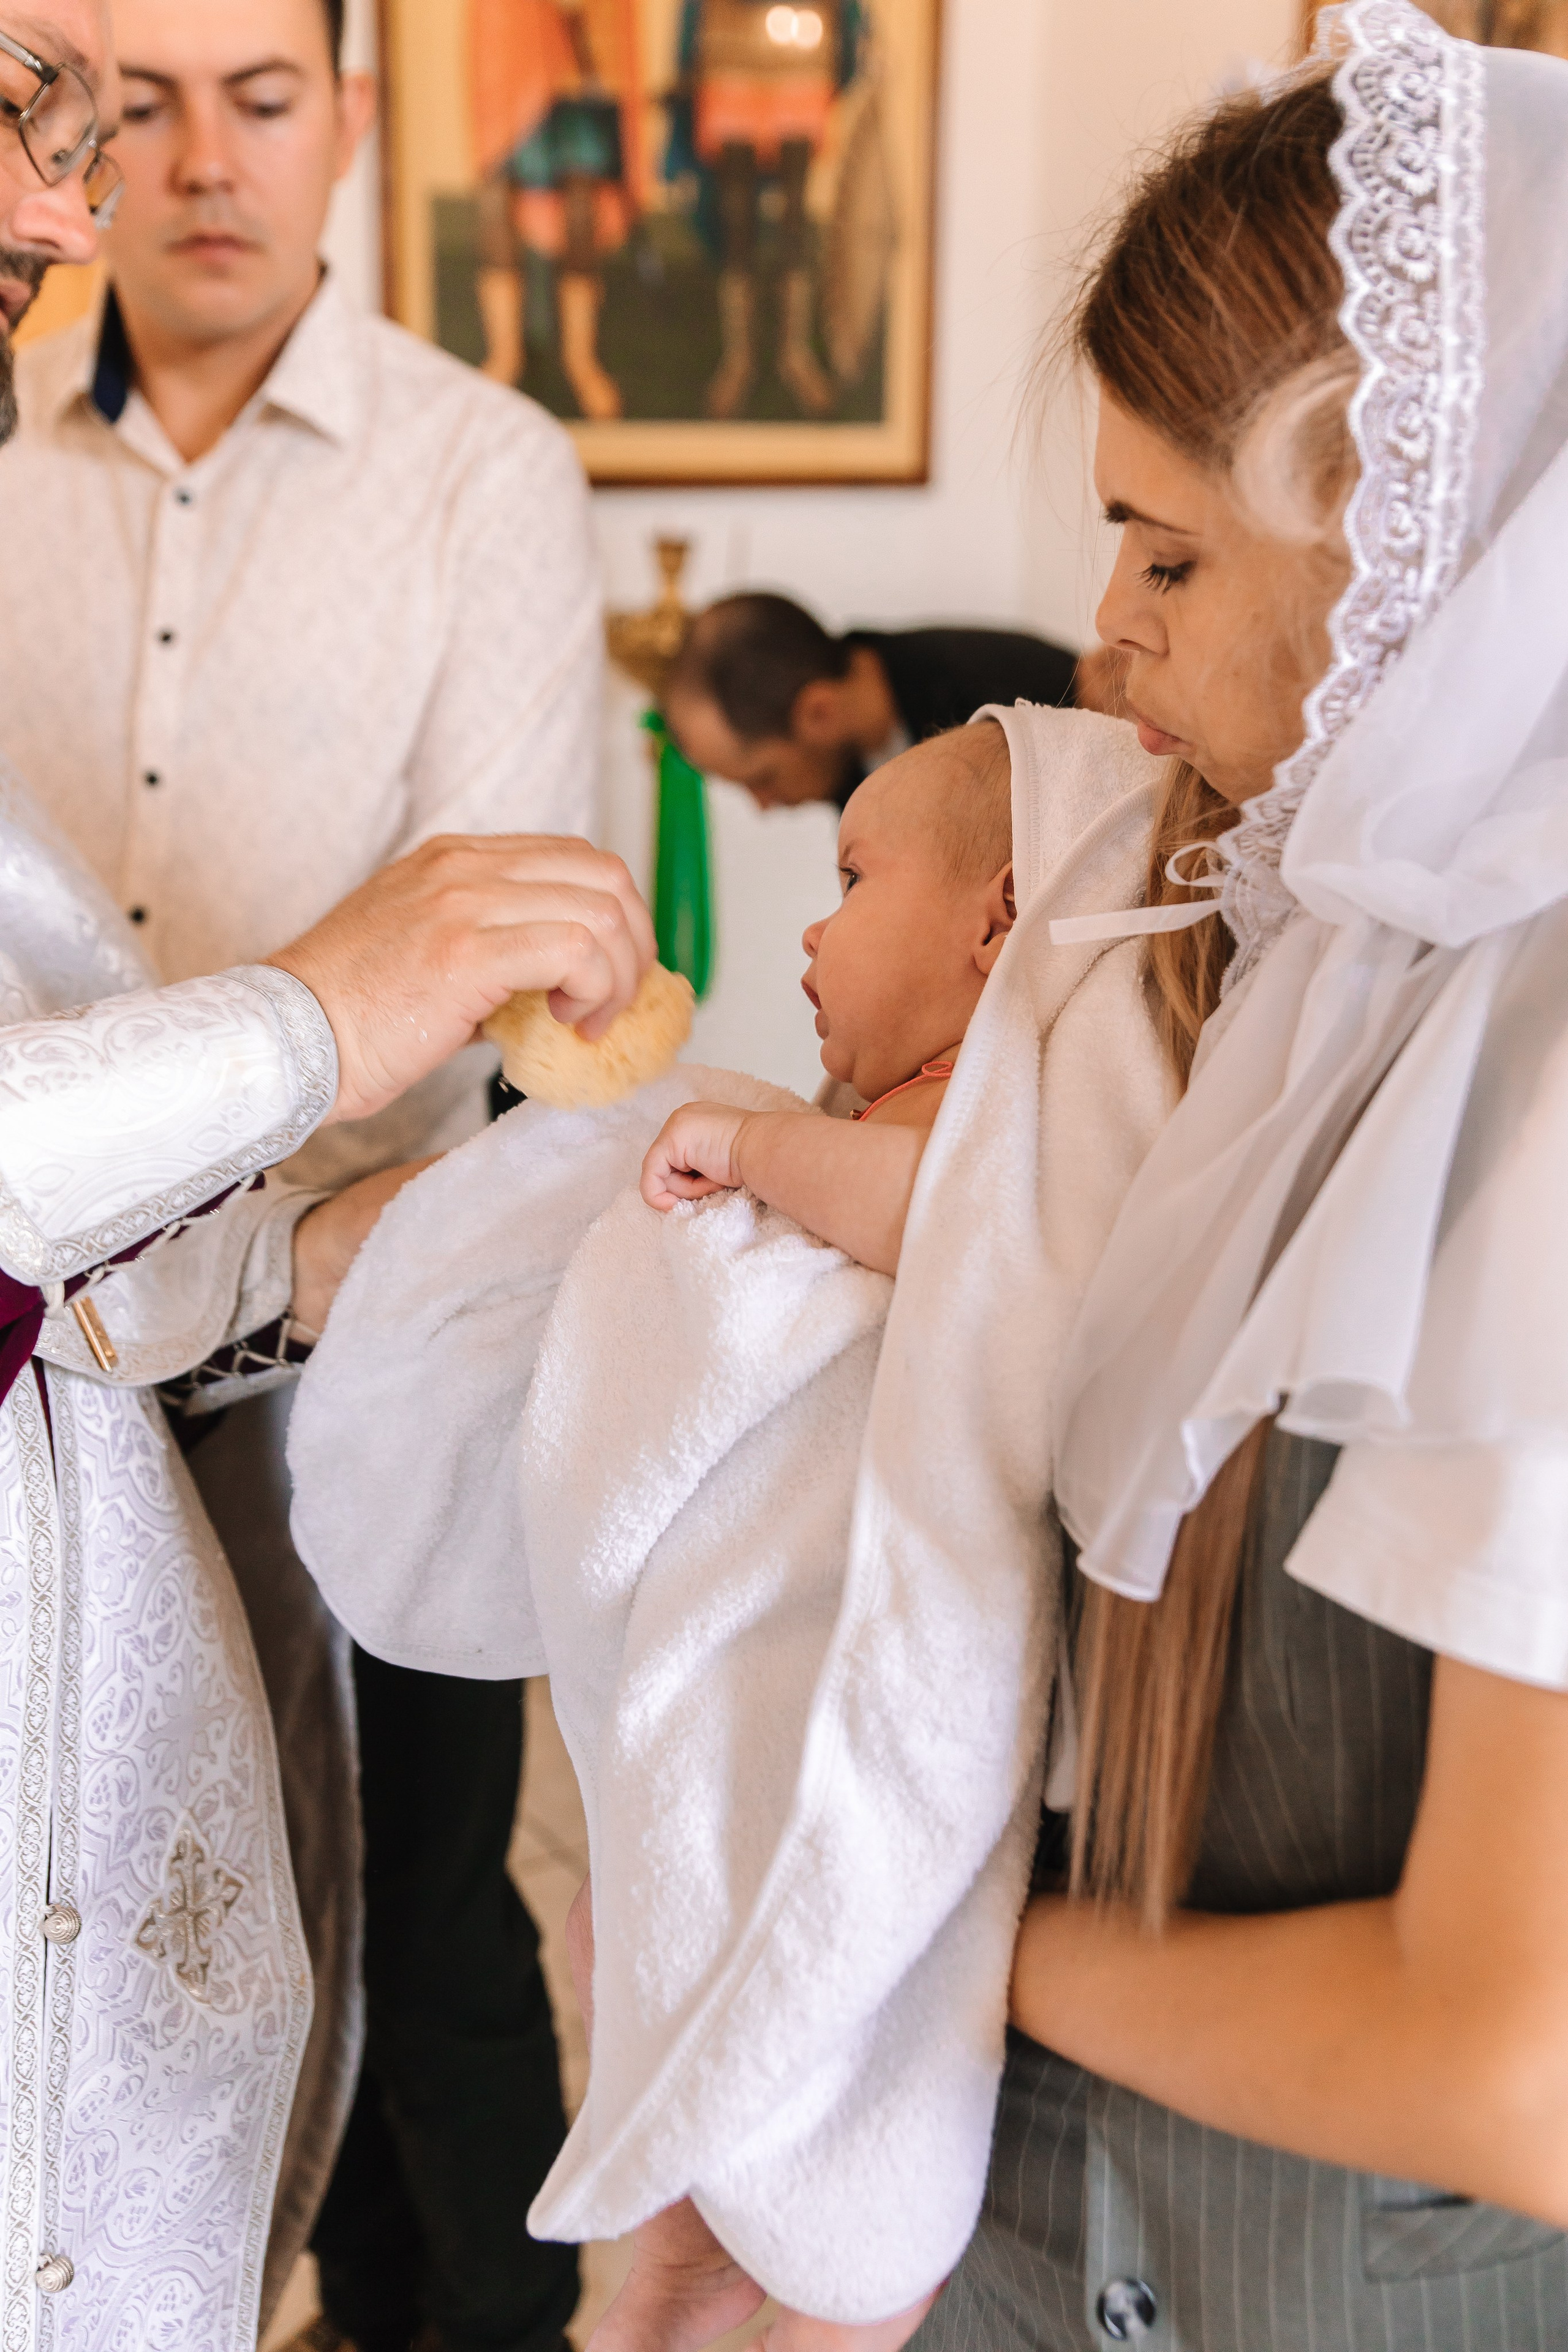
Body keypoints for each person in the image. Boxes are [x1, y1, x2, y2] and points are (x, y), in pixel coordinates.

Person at [914, 7, 1568, 2346]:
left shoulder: (1537, 1041)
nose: (1106, 634)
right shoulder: (1294, 955)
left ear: (1411, 544)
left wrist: (942, 1941)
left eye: (1167, 552)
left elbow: (1513, 2063)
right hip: (1030, 2244)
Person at [0, 29, 652, 2352]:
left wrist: (288, 1237)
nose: (174, 168)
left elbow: (488, 948)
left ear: (356, 124)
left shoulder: (483, 471)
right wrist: (275, 1033)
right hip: (46, 1376)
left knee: (428, 1941)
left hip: (332, 1323)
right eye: (107, 102)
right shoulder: (8, 440)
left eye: (260, 94)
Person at [641, 720, 1014, 1271]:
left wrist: (743, 1146)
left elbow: (942, 1206)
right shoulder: (925, 1091)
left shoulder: (989, 1097)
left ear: (993, 926)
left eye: (854, 881)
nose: (813, 934)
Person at [663, 590, 1081, 810]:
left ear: (819, 712)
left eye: (763, 778)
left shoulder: (1009, 706)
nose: (764, 805)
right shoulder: (846, 764)